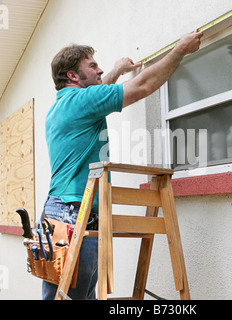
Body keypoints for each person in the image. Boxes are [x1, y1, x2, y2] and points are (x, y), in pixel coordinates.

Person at [42, 30, 203, 300]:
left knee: (65, 296)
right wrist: (180, 50)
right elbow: (143, 86)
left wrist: (117, 69)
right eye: (92, 66)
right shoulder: (82, 101)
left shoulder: (61, 106)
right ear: (72, 75)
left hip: (58, 212)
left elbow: (100, 90)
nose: (99, 70)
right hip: (74, 214)